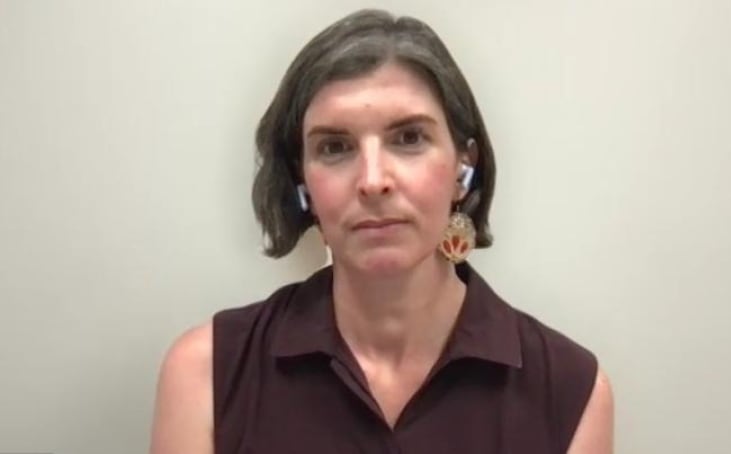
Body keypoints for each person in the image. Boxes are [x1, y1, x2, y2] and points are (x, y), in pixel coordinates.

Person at [149, 9, 613, 454]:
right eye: (335, 147)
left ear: (462, 166)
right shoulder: (207, 373)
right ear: (302, 181)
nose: (373, 180)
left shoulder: (570, 391)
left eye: (409, 138)